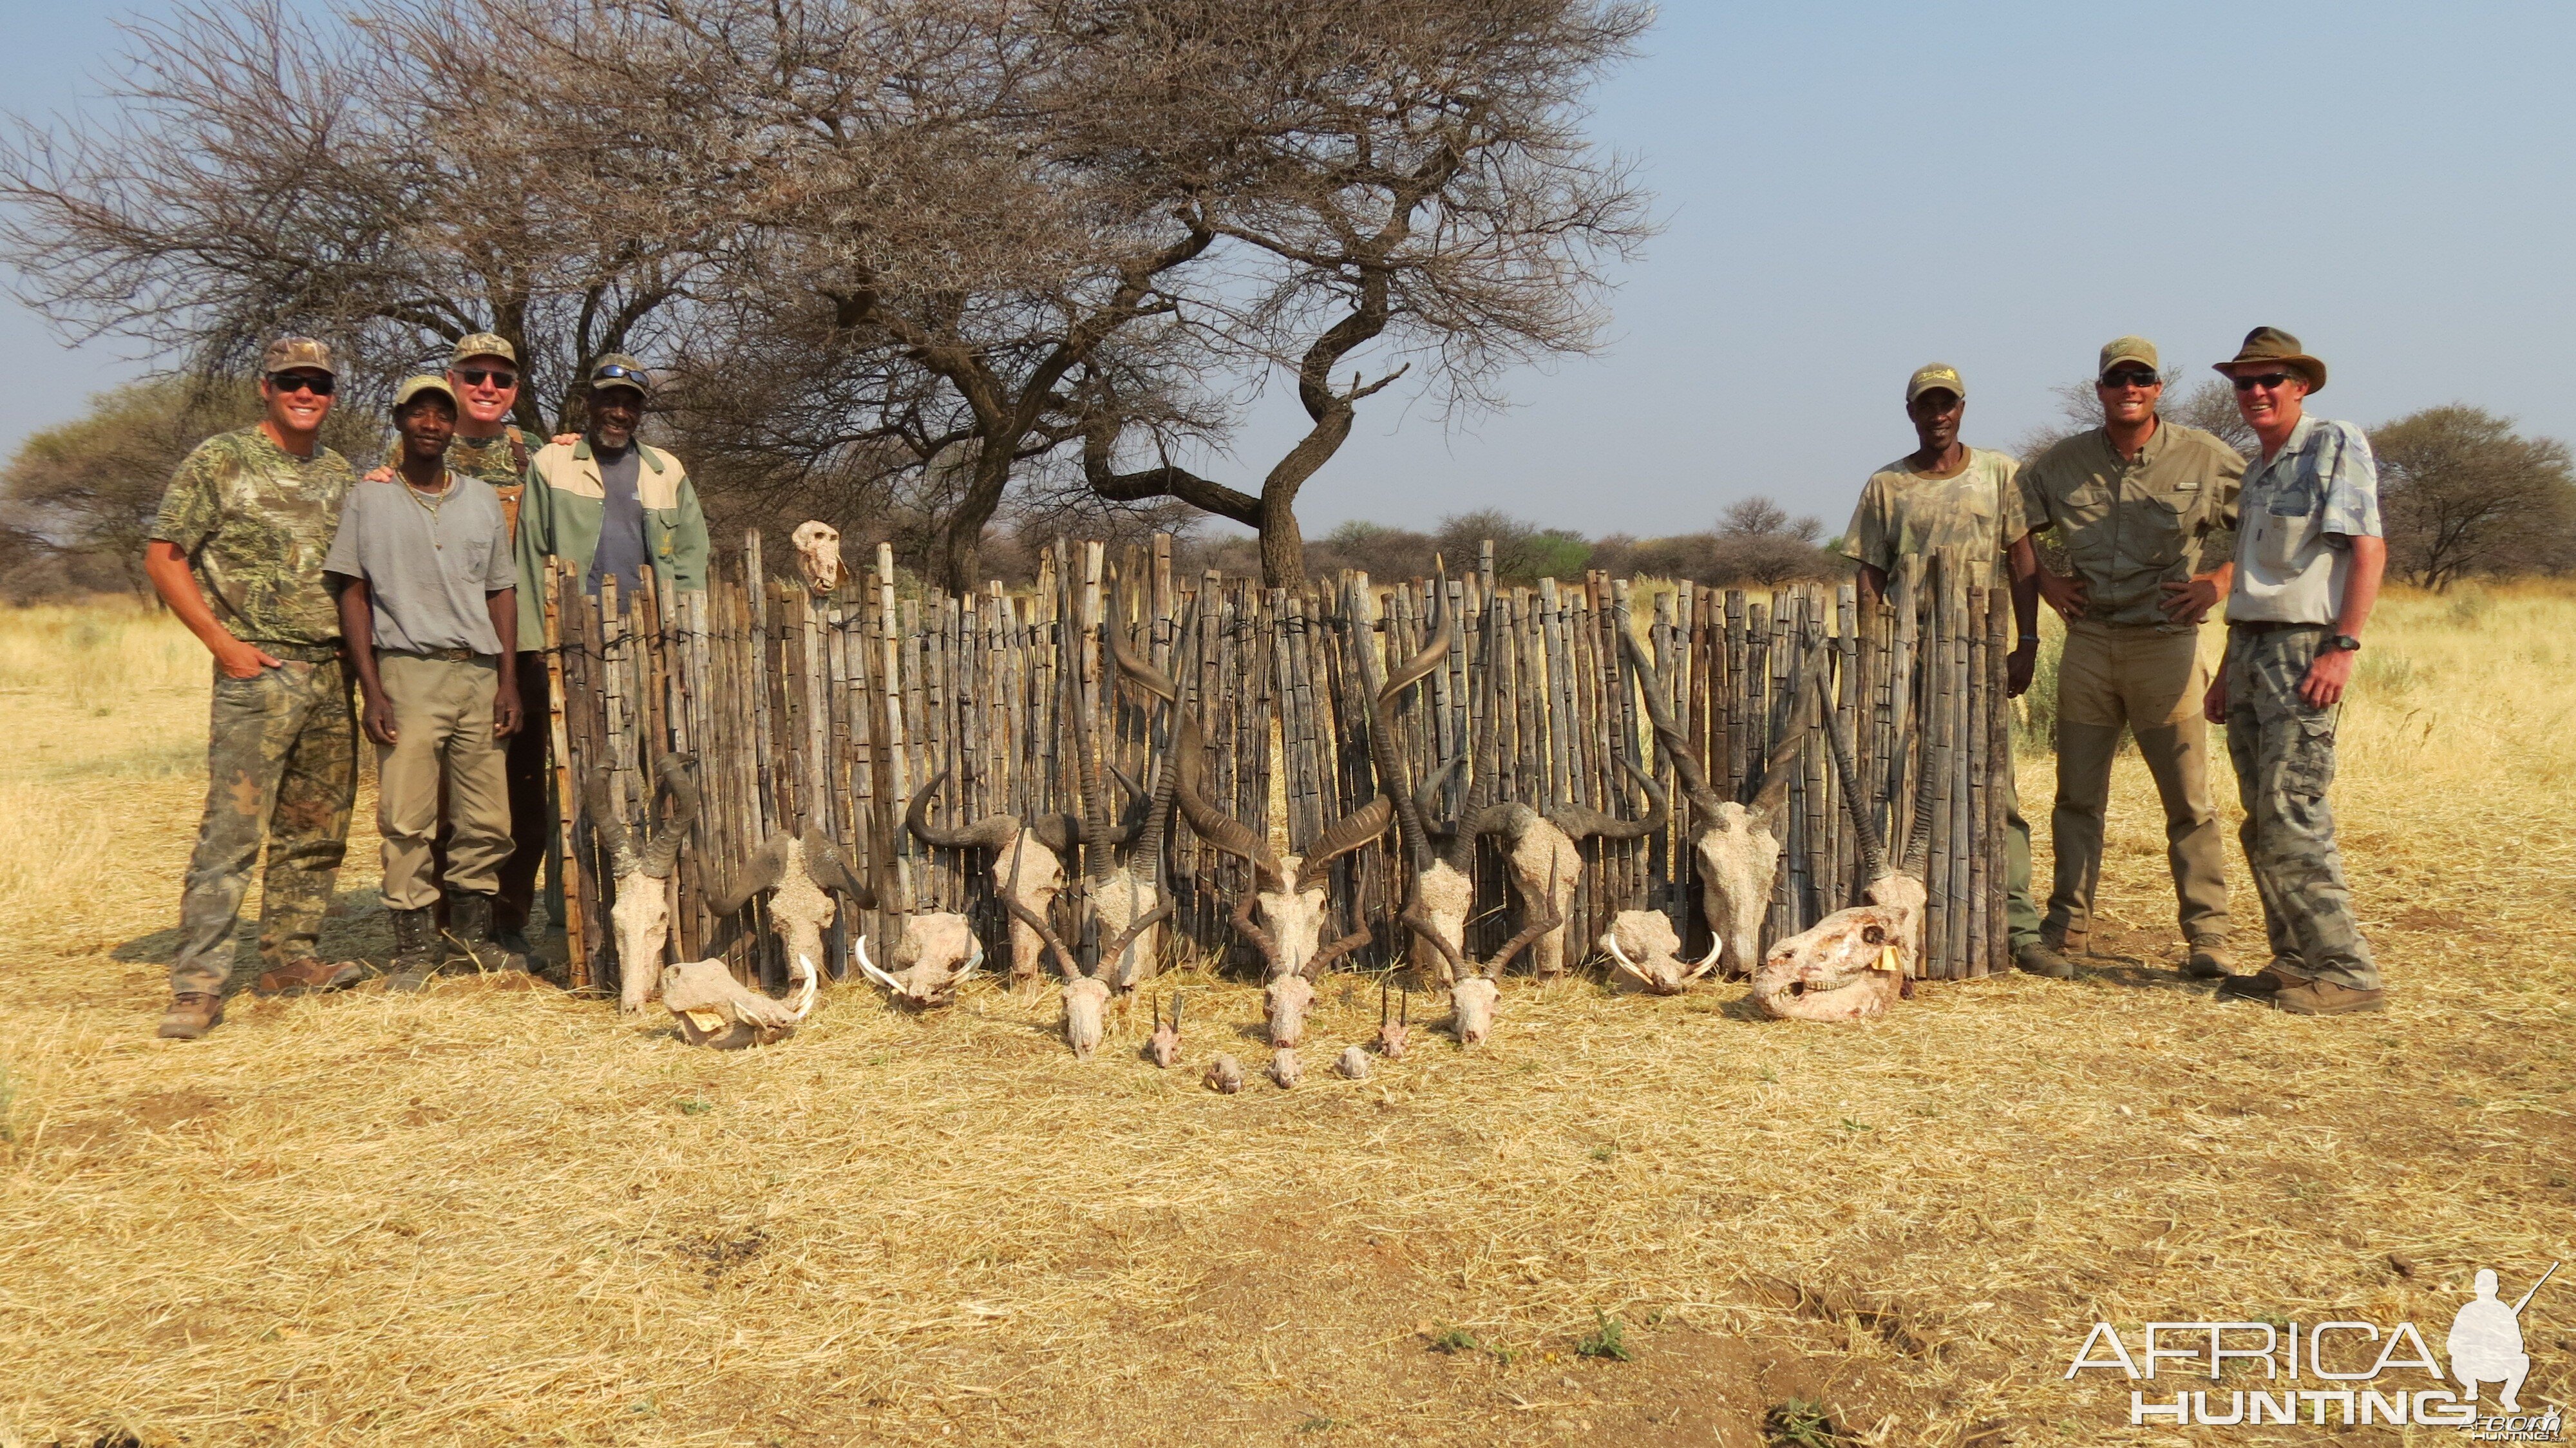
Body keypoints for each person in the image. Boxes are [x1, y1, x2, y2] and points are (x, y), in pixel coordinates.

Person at [141, 338, 361, 1040]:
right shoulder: (221, 459)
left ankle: (289, 958)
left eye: (319, 385)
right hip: (257, 675)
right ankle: (199, 983)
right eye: (293, 382)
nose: (306, 394)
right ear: (265, 388)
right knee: (232, 832)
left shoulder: (340, 473)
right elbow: (164, 555)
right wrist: (222, 644)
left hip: (331, 670)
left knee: (317, 827)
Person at [2011, 338, 2242, 982]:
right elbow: (2015, 527)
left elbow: (2266, 527)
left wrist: (2218, 582)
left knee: (2189, 801)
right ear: (2100, 390)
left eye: (2141, 378)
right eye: (2117, 380)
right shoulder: (2062, 464)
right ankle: (2068, 924)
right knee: (2076, 798)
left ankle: (2208, 933)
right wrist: (2049, 584)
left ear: (2159, 388)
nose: (2129, 389)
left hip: (2167, 646)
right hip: (2090, 646)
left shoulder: (2205, 455)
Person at [2201, 327, 2387, 1015]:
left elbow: (2367, 549)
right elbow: (2254, 580)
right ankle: (2293, 958)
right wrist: (2224, 671)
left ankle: (2346, 969)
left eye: (2269, 380)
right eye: (2244, 382)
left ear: (2299, 385)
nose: (2255, 393)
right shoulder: (2257, 468)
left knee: (2293, 808)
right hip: (2249, 647)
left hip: (2303, 645)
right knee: (2261, 816)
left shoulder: (2332, 443)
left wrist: (2341, 645)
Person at [1839, 363, 2045, 969]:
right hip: (1910, 655)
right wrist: (1875, 643)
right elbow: (1869, 571)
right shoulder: (1887, 486)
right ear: (1911, 413)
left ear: (1962, 408)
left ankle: (2018, 924)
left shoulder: (1999, 473)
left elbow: (2022, 559)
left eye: (1947, 405)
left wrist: (2026, 642)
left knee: (1994, 788)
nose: (1938, 416)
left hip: (1979, 655)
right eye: (1926, 406)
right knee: (1900, 780)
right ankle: (1897, 915)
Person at [326, 376, 526, 990]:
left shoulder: (481, 500)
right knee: (406, 815)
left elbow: (501, 590)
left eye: (442, 413)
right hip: (408, 671)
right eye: (420, 413)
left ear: (452, 424)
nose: (432, 423)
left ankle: (470, 938)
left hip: (478, 672)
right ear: (401, 421)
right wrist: (373, 688)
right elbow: (352, 591)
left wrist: (507, 681)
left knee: (488, 819)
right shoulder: (369, 498)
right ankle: (413, 949)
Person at [364, 334, 553, 954]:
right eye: (475, 376)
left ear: (516, 391)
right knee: (427, 797)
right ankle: (436, 923)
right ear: (453, 380)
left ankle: (506, 919)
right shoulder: (399, 457)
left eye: (501, 379)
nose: (488, 388)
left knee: (514, 796)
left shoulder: (536, 456)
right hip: (424, 650)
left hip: (512, 647)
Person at [514, 354, 710, 643]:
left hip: (650, 638)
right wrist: (532, 647)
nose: (620, 413)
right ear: (588, 403)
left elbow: (689, 563)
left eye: (631, 405)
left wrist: (689, 640)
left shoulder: (667, 471)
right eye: (610, 401)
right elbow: (531, 561)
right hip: (575, 637)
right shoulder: (552, 464)